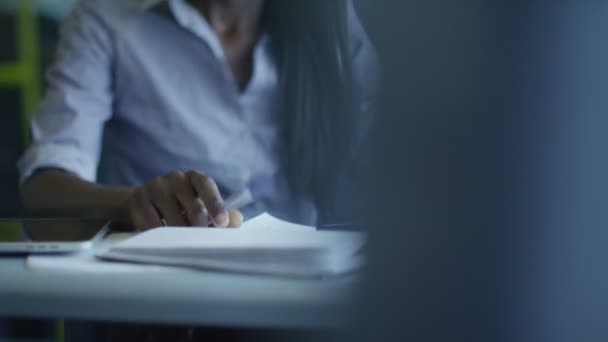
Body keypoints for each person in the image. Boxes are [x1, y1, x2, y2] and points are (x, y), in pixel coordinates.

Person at [18, 0, 377, 230]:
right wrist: (137, 204)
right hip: (169, 304)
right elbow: (44, 190)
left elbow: (400, 153)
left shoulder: (331, 19)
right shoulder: (106, 17)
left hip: (315, 297)